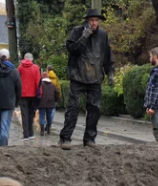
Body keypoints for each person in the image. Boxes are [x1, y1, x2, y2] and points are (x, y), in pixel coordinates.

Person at [59, 9, 115, 149]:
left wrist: (111, 73)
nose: (94, 23)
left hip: (95, 78)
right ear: (87, 21)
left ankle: (89, 139)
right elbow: (73, 50)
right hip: (78, 77)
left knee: (94, 109)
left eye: (96, 20)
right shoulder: (77, 31)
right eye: (91, 20)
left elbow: (107, 55)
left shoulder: (103, 35)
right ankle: (65, 138)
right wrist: (85, 36)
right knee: (73, 108)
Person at [0, 49, 21, 147]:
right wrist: (17, 101)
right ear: (9, 57)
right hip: (9, 102)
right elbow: (19, 87)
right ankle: (3, 147)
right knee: (5, 126)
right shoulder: (14, 71)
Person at [18, 53, 41, 140]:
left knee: (24, 114)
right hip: (33, 94)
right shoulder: (36, 68)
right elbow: (38, 82)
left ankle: (26, 134)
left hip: (23, 94)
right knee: (31, 113)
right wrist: (38, 93)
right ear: (32, 59)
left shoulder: (20, 68)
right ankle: (31, 133)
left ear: (24, 58)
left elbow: (17, 81)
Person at [38, 70, 60, 136]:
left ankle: (42, 131)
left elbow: (37, 93)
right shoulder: (52, 85)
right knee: (49, 116)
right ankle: (48, 130)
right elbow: (57, 92)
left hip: (41, 103)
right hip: (51, 103)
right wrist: (55, 100)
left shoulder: (40, 84)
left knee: (41, 116)